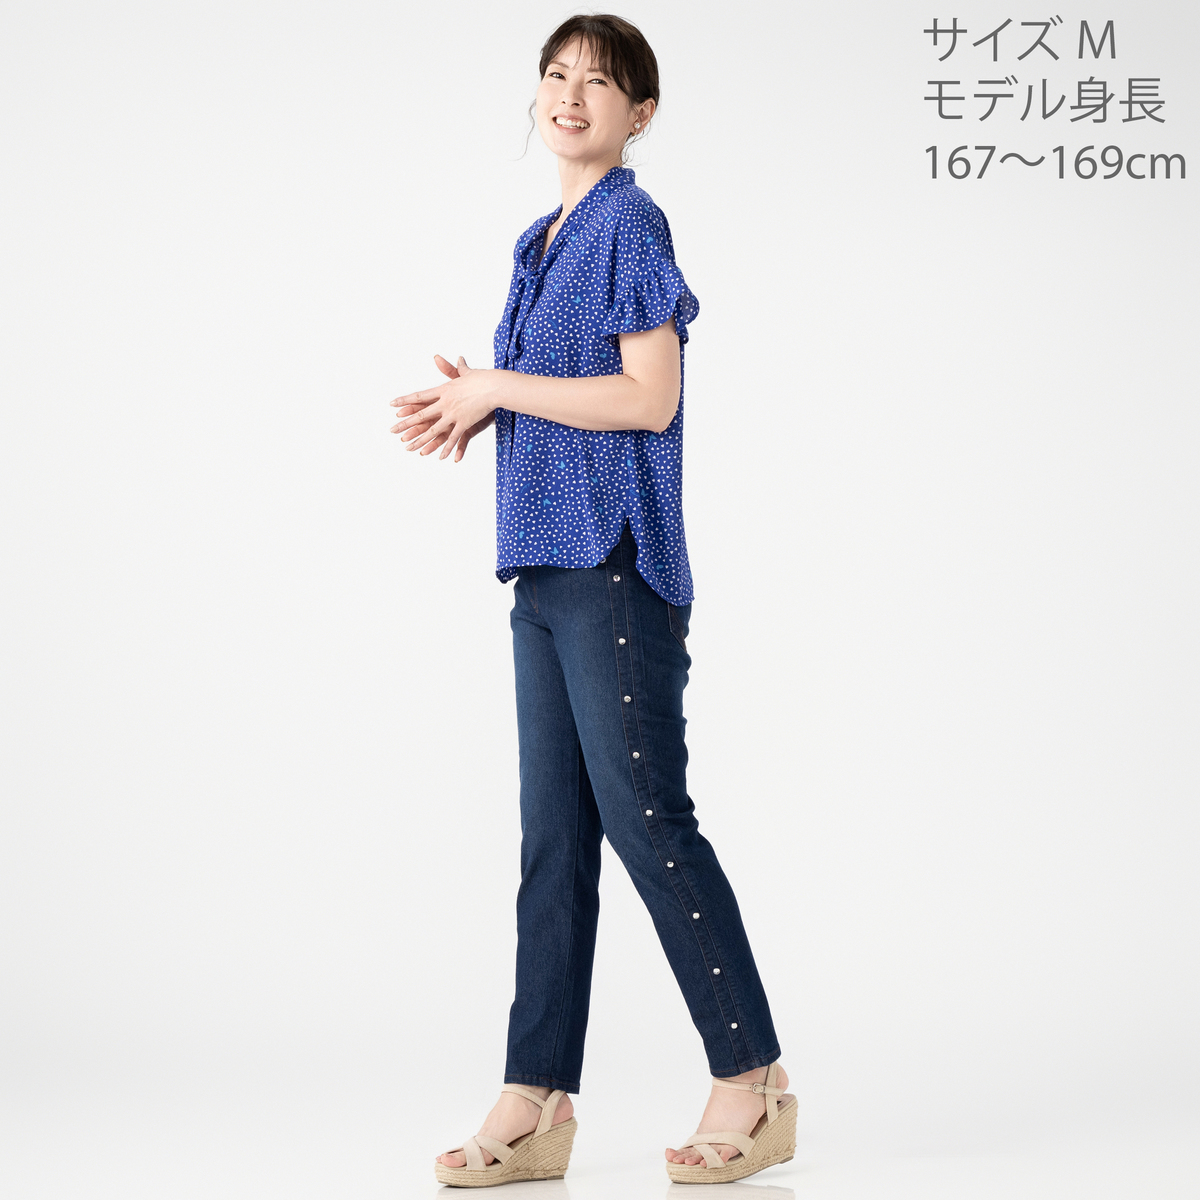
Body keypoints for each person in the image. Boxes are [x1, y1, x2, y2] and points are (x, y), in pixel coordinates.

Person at [390, 13, 795, 1187]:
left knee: (648, 822)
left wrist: (502, 387)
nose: (571, 95)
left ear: (640, 113)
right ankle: (537, 1097)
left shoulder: (627, 219)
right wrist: (484, 403)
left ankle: (755, 1081)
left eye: (600, 82)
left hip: (613, 566)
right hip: (544, 568)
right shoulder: (540, 240)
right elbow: (565, 393)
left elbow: (646, 397)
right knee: (555, 844)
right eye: (556, 75)